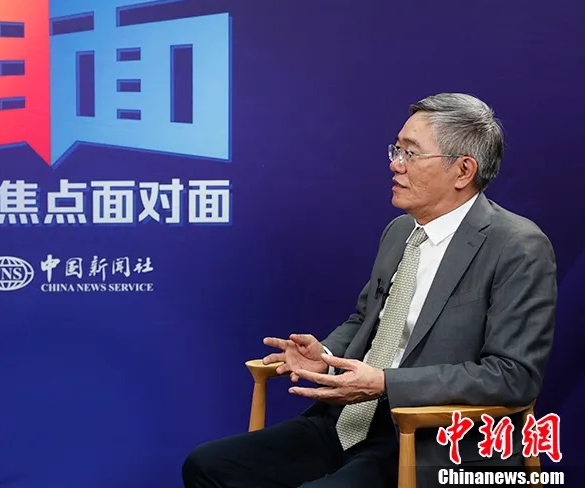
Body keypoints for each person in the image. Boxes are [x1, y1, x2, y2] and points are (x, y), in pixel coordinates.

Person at [181, 93, 558, 488]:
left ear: (463, 170)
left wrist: (386, 383)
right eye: (396, 150)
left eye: (411, 153)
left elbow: (514, 376)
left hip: (431, 438)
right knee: (207, 465)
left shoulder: (517, 246)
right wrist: (326, 357)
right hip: (350, 420)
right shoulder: (399, 231)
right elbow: (366, 320)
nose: (395, 164)